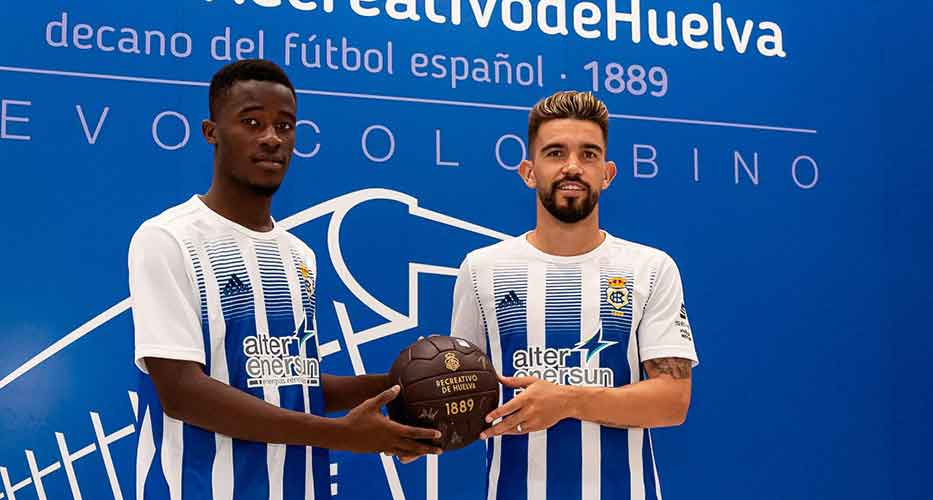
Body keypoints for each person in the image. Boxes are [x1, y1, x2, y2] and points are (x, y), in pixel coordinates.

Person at [128, 59, 441, 500]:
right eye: (252, 122)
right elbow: (181, 392)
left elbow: (292, 382)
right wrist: (339, 435)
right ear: (211, 131)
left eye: (285, 125)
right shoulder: (167, 239)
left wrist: (401, 386)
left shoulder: (298, 254)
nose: (272, 138)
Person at [449, 90, 699, 499]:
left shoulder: (650, 268)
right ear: (529, 172)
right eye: (554, 153)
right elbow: (464, 392)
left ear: (607, 173)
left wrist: (566, 401)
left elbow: (673, 400)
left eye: (588, 154)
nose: (572, 167)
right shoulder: (482, 269)